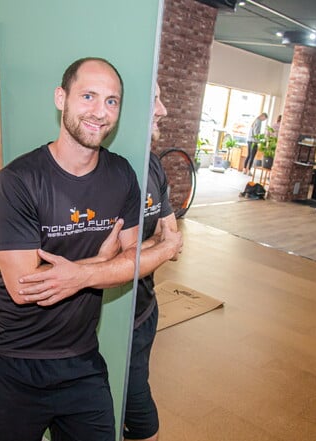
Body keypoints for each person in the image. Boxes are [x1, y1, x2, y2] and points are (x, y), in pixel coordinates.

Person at [0, 58, 182, 441]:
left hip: (80, 360)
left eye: (112, 101)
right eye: (88, 96)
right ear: (61, 98)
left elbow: (134, 260)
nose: (100, 111)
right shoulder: (19, 180)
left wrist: (86, 272)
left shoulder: (120, 175)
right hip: (11, 360)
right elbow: (25, 288)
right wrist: (102, 262)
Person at [121, 83, 177, 441]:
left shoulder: (153, 164)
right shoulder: (113, 169)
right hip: (108, 318)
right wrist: (159, 246)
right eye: (153, 98)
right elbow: (164, 242)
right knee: (141, 418)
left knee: (132, 394)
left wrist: (155, 248)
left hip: (144, 309)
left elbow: (174, 239)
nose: (163, 110)